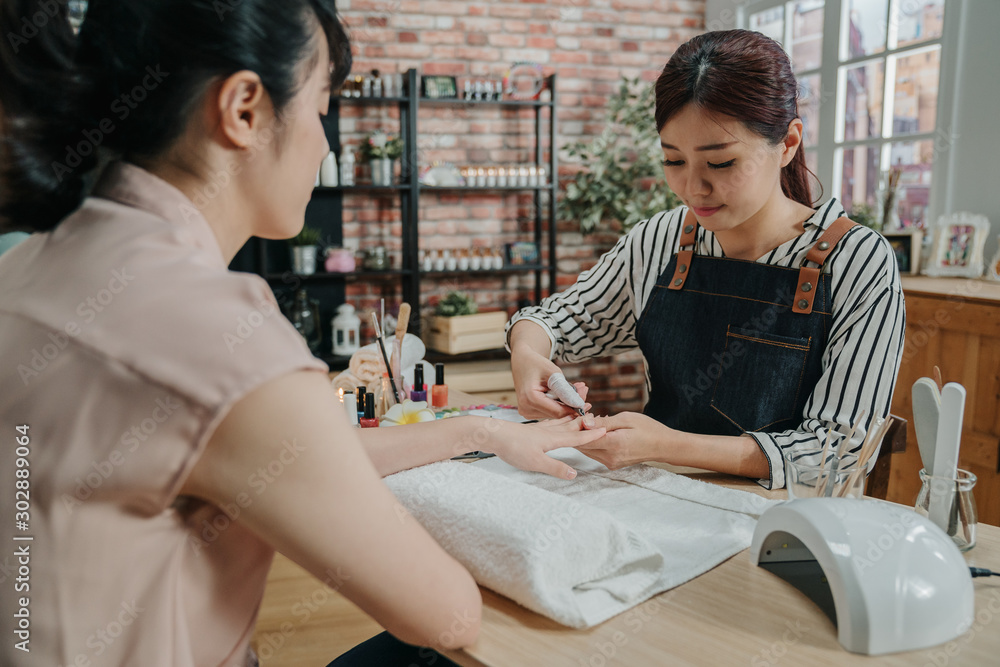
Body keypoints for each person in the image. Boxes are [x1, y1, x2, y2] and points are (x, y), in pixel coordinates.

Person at [0, 2, 603, 666]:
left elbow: (281, 451)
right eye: (321, 107)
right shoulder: (219, 330)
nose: (327, 143)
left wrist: (480, 431)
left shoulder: (25, 265)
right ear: (244, 109)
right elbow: (446, 612)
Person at [508, 29, 905, 490]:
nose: (693, 189)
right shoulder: (661, 238)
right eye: (674, 161)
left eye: (720, 164)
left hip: (790, 528)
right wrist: (526, 351)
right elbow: (555, 321)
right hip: (664, 501)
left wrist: (668, 445)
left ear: (789, 143)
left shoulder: (858, 261)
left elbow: (839, 451)